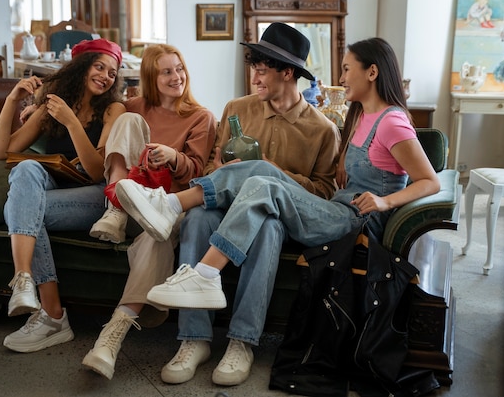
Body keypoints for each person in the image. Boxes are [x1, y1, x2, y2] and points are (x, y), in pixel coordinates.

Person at [115, 36, 441, 386]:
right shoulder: (360, 115)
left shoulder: (388, 121)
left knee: (264, 185)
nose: (341, 78)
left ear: (372, 72)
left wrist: (384, 201)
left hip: (356, 221)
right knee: (257, 176)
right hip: (336, 209)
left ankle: (208, 280)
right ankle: (173, 212)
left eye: (346, 69)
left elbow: (430, 181)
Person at [118, 22, 341, 386]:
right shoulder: (237, 108)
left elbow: (322, 193)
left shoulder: (322, 129)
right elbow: (208, 168)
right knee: (196, 220)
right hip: (223, 206)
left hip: (277, 216)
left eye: (263, 69)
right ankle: (194, 339)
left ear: (288, 73)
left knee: (267, 226)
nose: (254, 76)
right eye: (253, 67)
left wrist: (272, 172)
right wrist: (220, 168)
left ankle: (242, 341)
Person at [81, 44, 217, 380]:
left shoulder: (201, 117)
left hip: (166, 203)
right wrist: (33, 106)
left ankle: (112, 336)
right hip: (128, 201)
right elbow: (88, 108)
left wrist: (172, 156)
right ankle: (115, 210)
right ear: (151, 78)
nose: (177, 77)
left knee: (157, 234)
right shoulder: (132, 107)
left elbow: (199, 171)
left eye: (179, 69)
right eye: (167, 72)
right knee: (127, 120)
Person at [0, 38, 126, 353]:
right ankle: (24, 280)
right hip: (55, 189)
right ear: (81, 67)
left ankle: (51, 315)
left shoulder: (113, 109)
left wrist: (71, 122)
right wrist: (12, 100)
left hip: (93, 196)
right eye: (99, 66)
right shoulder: (53, 105)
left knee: (17, 209)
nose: (106, 76)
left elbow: (96, 172)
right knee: (25, 171)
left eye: (112, 72)